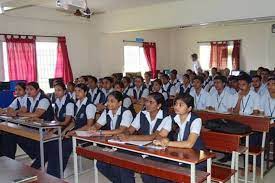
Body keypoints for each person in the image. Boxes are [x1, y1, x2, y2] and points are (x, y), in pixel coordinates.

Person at [47, 83, 96, 178]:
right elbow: (73, 122)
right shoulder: (77, 104)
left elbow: (89, 125)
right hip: (75, 132)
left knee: (63, 147)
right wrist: (65, 131)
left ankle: (57, 175)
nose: (77, 93)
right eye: (75, 91)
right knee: (54, 143)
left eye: (80, 91)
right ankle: (50, 173)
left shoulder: (90, 106)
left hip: (84, 135)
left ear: (85, 93)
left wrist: (73, 132)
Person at [117, 92, 167, 183]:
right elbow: (130, 129)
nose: (147, 104)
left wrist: (129, 138)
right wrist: (125, 134)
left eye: (151, 102)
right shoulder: (142, 114)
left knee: (146, 171)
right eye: (147, 101)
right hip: (142, 148)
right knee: (123, 159)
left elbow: (153, 137)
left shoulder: (166, 117)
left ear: (159, 105)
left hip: (160, 151)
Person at [0, 82, 28, 158]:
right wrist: (6, 111)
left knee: (8, 134)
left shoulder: (28, 98)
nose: (17, 92)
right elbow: (10, 108)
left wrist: (9, 112)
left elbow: (22, 111)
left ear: (25, 90)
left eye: (19, 90)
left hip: (26, 124)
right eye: (16, 90)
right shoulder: (17, 99)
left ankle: (9, 156)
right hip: (18, 122)